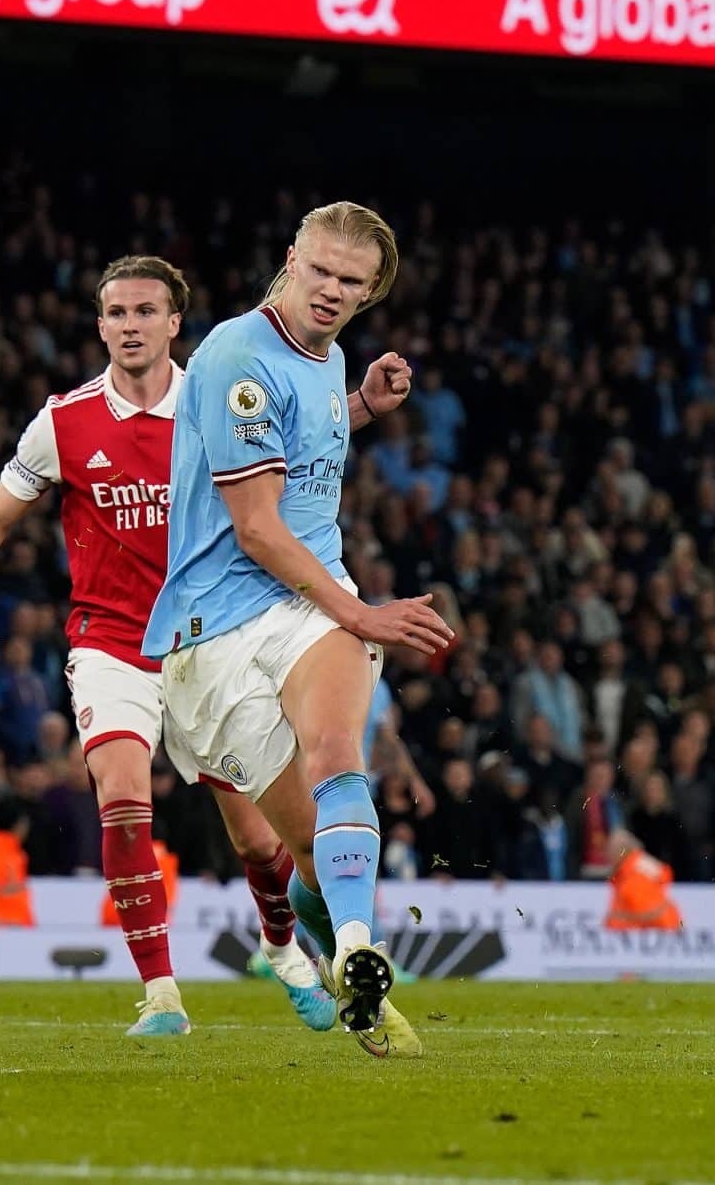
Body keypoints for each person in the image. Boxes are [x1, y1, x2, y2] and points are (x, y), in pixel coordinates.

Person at [0, 256, 335, 1039]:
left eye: (146, 311)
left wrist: (361, 401)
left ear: (175, 323)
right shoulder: (63, 422)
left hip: (208, 642)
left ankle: (282, 948)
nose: (130, 325)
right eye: (117, 312)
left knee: (258, 837)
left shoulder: (217, 404)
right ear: (100, 325)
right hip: (110, 641)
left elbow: (297, 466)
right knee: (124, 796)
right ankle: (162, 994)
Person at [145, 202, 450, 1058]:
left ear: (369, 293)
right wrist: (362, 611)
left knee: (336, 753)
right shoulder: (237, 354)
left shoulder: (329, 355)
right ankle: (339, 942)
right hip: (215, 632)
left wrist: (359, 405)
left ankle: (360, 951)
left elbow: (302, 444)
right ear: (291, 257)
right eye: (319, 270)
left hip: (310, 602)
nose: (331, 291)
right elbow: (256, 527)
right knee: (312, 853)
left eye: (351, 283)